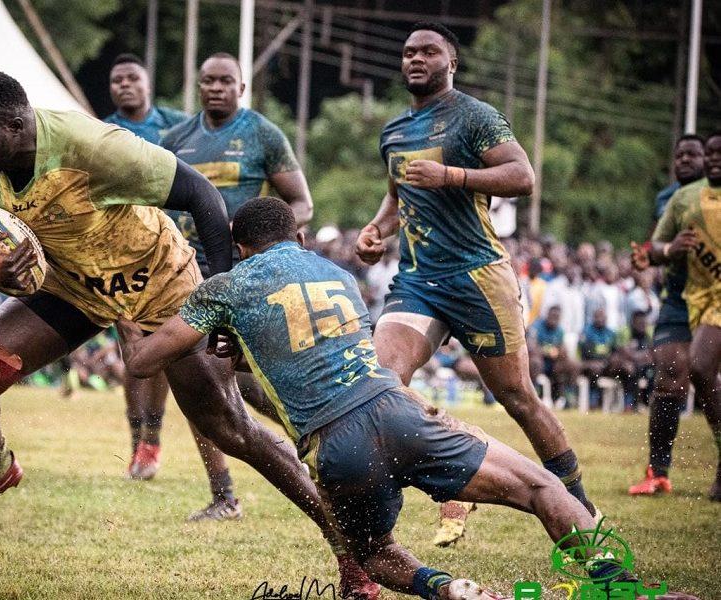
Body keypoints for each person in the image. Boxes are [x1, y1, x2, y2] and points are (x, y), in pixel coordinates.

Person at [0, 70, 376, 599]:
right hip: (71, 285)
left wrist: (225, 304)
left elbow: (203, 196)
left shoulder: (92, 147)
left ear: (17, 126)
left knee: (229, 428)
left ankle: (354, 554)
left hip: (159, 281)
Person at [117, 197, 687, 600]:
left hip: (334, 448)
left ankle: (448, 589)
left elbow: (145, 361)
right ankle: (625, 593)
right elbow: (316, 345)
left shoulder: (228, 285)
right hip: (397, 410)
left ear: (240, 248)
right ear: (296, 239)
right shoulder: (335, 273)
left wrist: (116, 309)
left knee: (377, 557)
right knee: (542, 487)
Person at [354, 22, 595, 546]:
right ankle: (455, 477)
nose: (416, 58)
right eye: (408, 51)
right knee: (382, 387)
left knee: (517, 397)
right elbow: (397, 198)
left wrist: (455, 177)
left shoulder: (475, 116)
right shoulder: (393, 131)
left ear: (451, 62)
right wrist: (376, 230)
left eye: (429, 51)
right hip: (417, 282)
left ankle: (579, 506)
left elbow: (522, 176)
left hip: (477, 278)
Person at [161, 52, 314, 521]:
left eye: (226, 81)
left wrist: (269, 246)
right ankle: (224, 494)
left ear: (241, 88)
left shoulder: (264, 134)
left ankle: (316, 447)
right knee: (198, 382)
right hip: (190, 274)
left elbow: (301, 204)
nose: (216, 88)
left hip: (248, 276)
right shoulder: (174, 140)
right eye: (208, 81)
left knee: (256, 380)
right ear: (198, 85)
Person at [102, 53, 188, 480]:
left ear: (148, 83)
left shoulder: (176, 127)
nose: (124, 86)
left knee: (166, 354)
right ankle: (140, 445)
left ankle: (152, 438)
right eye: (117, 80)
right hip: (120, 256)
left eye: (132, 78)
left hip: (169, 252)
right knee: (131, 352)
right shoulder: (100, 133)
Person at [631, 131, 721, 501]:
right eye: (679, 154)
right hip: (676, 300)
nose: (685, 160)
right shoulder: (670, 198)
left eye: (694, 154)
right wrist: (649, 254)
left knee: (702, 370)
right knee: (669, 377)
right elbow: (652, 247)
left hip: (712, 293)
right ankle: (658, 471)